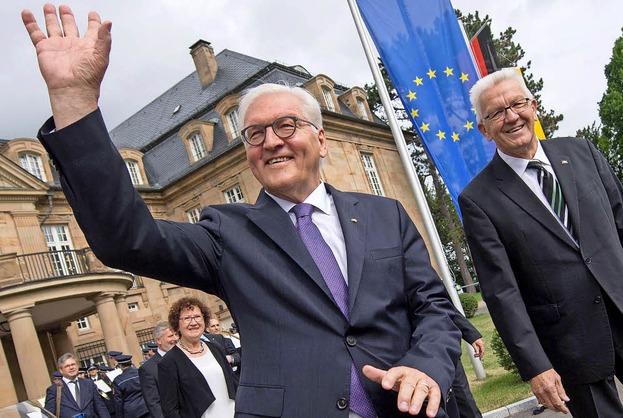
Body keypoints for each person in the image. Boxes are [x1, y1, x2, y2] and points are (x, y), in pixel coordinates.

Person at [22, 5, 462, 417]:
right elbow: (126, 238)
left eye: (286, 125)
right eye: (254, 133)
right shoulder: (225, 233)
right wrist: (75, 102)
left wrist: (426, 365)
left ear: (322, 139)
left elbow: (434, 307)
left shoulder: (385, 214)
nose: (271, 141)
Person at [458, 67, 623, 416]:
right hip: (572, 345)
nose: (511, 116)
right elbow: (502, 292)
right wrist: (535, 366)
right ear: (484, 129)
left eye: (517, 104)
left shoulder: (583, 152)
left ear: (534, 106)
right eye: (496, 112)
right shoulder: (478, 200)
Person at [158, 297, 237, 417]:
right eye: (186, 318)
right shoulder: (169, 362)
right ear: (177, 325)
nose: (193, 322)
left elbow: (233, 382)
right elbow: (170, 410)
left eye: (197, 317)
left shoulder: (215, 348)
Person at [44, 353, 110, 418]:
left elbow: (100, 408)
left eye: (73, 364)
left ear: (77, 366)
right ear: (61, 370)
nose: (71, 367)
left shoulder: (89, 384)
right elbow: (49, 414)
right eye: (67, 366)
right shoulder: (54, 390)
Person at [139, 320, 179, 418]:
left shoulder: (186, 356)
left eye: (176, 334)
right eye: (170, 336)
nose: (175, 338)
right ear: (158, 340)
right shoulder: (148, 369)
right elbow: (154, 404)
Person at [451, 314, 483, 418]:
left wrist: (470, 334)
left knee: (465, 402)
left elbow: (441, 303)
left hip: (443, 353)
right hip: (405, 361)